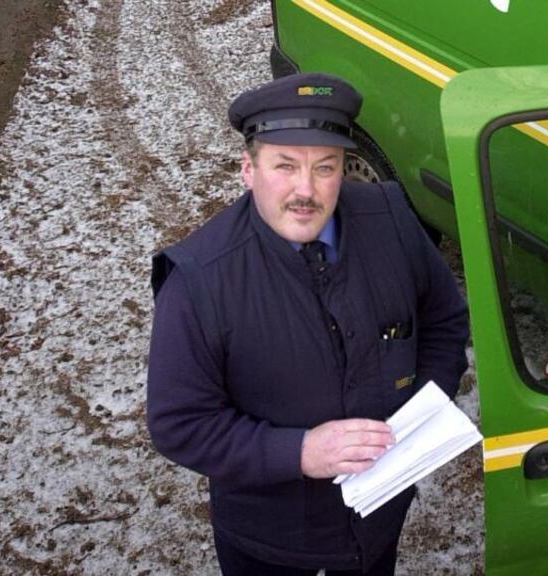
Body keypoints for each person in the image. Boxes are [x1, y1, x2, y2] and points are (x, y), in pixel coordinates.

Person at [145, 72, 470, 575]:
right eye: (285, 166)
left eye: (325, 167)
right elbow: (179, 422)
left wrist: (415, 417)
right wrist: (299, 452)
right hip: (271, 540)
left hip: (379, 516)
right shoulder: (200, 279)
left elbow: (444, 319)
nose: (306, 190)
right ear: (248, 169)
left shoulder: (390, 218)